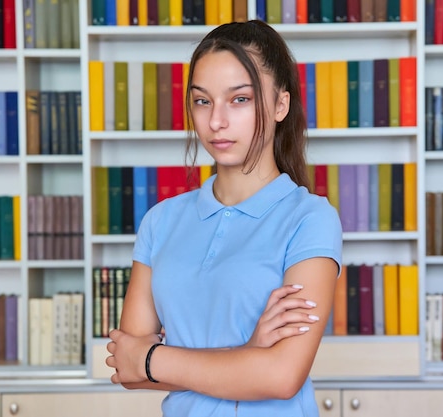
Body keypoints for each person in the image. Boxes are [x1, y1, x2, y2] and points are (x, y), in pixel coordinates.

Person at [105, 19, 342, 416]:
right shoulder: (160, 221)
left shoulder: (311, 218)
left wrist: (152, 357)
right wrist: (246, 355)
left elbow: (282, 377)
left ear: (281, 104)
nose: (216, 121)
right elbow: (126, 368)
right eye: (202, 101)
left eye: (239, 99)